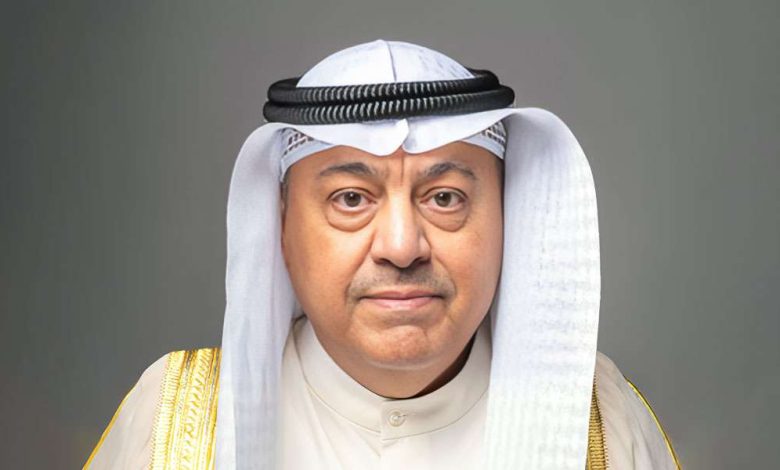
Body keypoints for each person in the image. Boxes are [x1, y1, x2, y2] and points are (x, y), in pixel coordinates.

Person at [84, 40, 681, 470]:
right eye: (351, 199)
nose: (401, 247)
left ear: (507, 221)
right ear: (281, 227)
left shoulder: (599, 421)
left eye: (444, 198)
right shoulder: (178, 421)